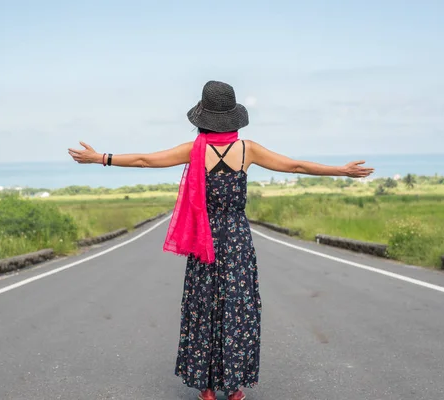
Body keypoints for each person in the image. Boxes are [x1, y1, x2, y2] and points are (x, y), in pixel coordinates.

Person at [68, 80, 374, 400]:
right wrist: (341, 170)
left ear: (202, 117)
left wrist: (100, 157)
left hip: (204, 239)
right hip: (238, 238)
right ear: (232, 116)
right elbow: (295, 166)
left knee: (205, 308)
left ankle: (209, 387)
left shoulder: (193, 150)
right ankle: (234, 386)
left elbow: (146, 160)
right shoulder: (248, 150)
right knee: (238, 308)